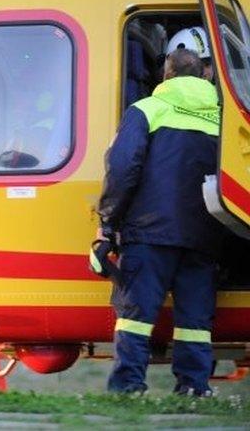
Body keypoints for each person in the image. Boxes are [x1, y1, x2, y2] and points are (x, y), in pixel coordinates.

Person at [94, 47, 227, 396]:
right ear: (204, 76)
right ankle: (194, 387)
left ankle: (128, 386)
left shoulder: (146, 110)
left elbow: (123, 169)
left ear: (165, 77)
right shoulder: (223, 119)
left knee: (136, 314)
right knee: (195, 320)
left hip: (150, 233)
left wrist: (108, 221)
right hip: (206, 235)